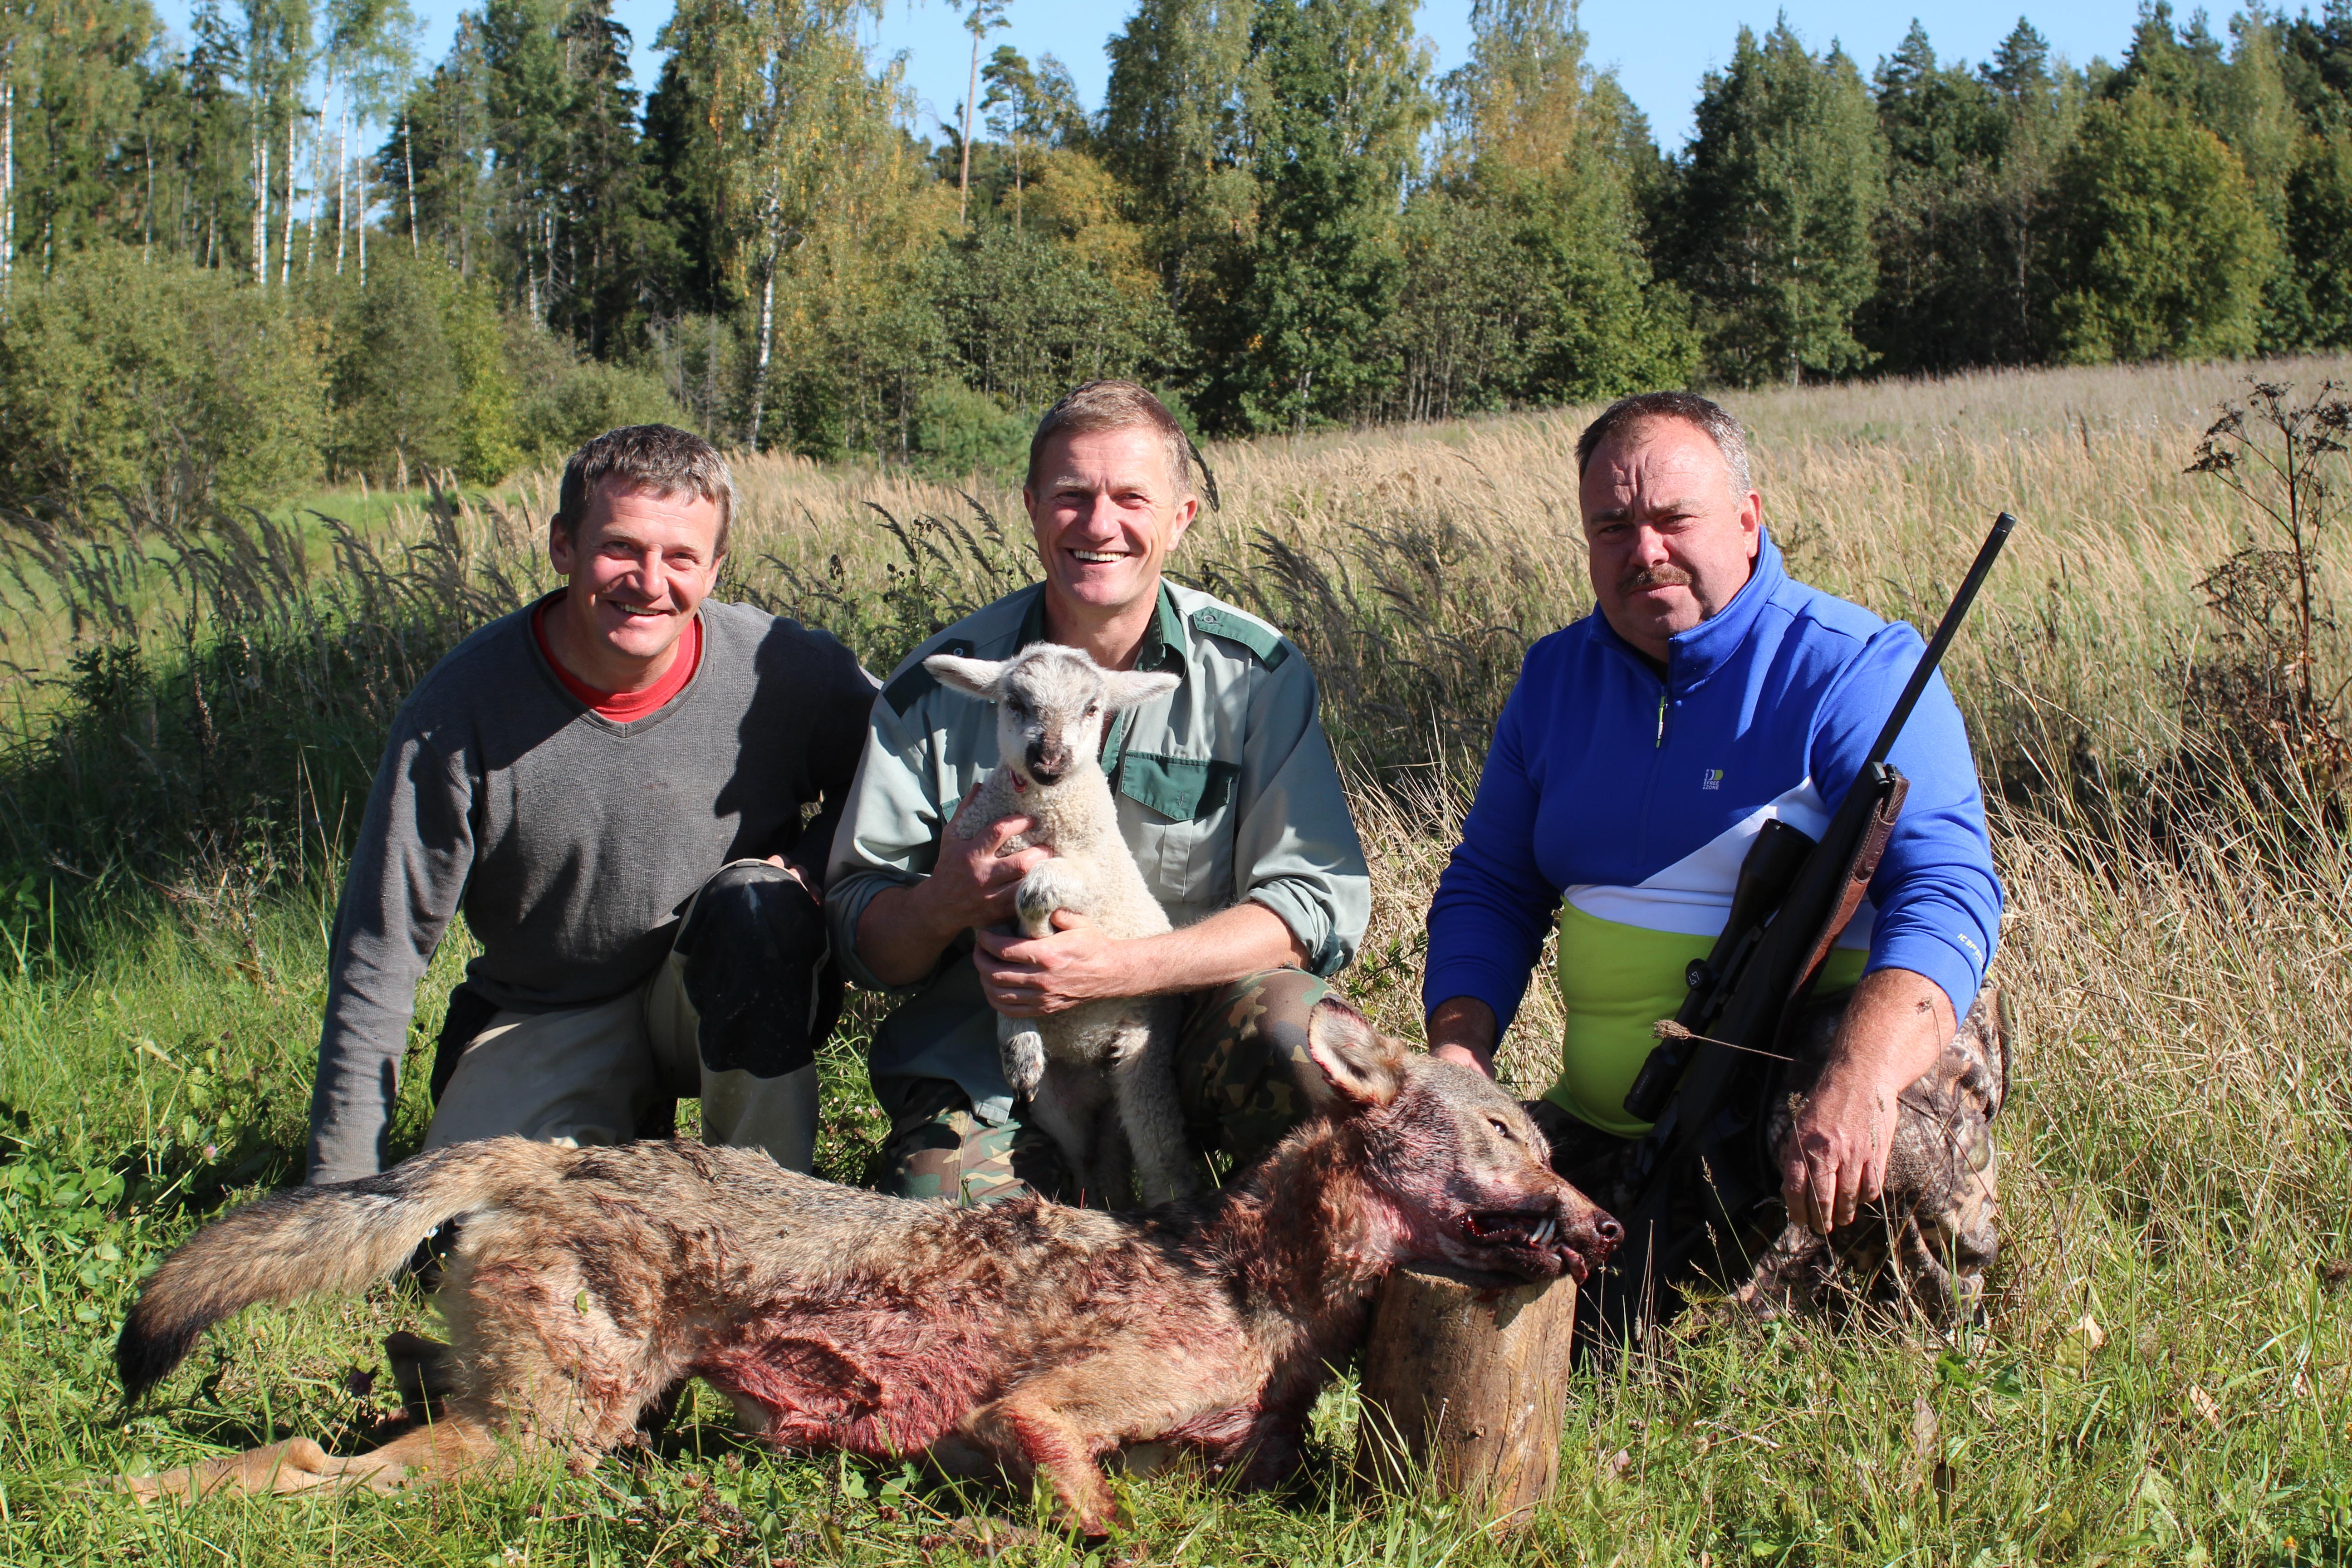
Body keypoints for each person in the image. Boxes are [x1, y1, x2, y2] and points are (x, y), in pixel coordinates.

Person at [1422, 391, 2007, 1321]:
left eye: (1672, 519)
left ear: (1747, 518)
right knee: (1452, 1244)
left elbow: (1948, 885)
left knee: (1878, 1153)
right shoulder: (1552, 681)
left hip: (1818, 1069)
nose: (1644, 550)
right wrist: (1458, 1061)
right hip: (1631, 1108)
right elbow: (1492, 887)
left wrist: (1861, 1078)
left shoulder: (1859, 668)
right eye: (1612, 527)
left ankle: (1924, 1356)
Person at [826, 380, 1371, 1204]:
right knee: (968, 1258)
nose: (1099, 525)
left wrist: (1115, 969)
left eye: (1131, 497)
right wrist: (944, 902)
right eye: (1072, 496)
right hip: (994, 1064)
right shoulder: (938, 689)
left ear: (1181, 517)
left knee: (1305, 1045)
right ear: (1033, 507)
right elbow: (859, 933)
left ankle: (1256, 1282)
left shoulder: (1252, 678)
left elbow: (1311, 907)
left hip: (1179, 1028)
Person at [304, 424, 877, 1186]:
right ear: (563, 547)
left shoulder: (783, 670)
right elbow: (382, 945)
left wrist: (808, 866)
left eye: (681, 558)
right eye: (621, 549)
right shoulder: (464, 707)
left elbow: (899, 764)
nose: (649, 581)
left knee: (757, 909)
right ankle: (607, 1133)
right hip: (552, 1010)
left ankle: (764, 1212)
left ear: (715, 569)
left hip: (721, 984)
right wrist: (339, 1179)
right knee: (460, 1244)